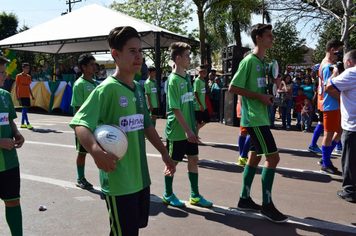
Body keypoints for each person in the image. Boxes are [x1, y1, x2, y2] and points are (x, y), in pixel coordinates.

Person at [70, 26, 175, 236]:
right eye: (132, 51)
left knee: (127, 231)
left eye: (140, 51)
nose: (139, 57)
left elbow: (147, 125)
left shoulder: (137, 87)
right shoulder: (106, 89)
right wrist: (96, 151)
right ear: (115, 54)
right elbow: (80, 123)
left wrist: (165, 153)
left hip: (140, 178)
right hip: (119, 181)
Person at [228, 23, 288, 223]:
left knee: (254, 158)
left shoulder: (264, 63)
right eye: (269, 36)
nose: (272, 38)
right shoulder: (248, 61)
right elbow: (233, 87)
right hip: (254, 118)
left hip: (260, 115)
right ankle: (267, 205)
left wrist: (274, 88)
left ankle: (244, 199)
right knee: (274, 158)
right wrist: (259, 98)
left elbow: (261, 91)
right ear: (258, 38)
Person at [163, 42, 213, 208]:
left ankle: (195, 196)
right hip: (178, 131)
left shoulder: (187, 78)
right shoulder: (173, 80)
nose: (190, 58)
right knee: (172, 164)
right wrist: (187, 131)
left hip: (189, 130)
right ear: (178, 58)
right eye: (187, 56)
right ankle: (168, 194)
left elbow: (188, 105)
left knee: (194, 160)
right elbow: (176, 109)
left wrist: (194, 127)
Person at [326, 49, 356, 202]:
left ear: (349, 62)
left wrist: (336, 71)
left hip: (352, 126)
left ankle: (350, 191)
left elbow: (328, 86)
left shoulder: (351, 73)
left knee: (349, 160)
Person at [0, 56, 25, 236]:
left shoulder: (5, 96)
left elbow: (9, 122)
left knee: (13, 202)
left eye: (4, 72)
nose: (4, 76)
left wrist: (16, 133)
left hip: (9, 162)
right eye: (1, 73)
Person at [70, 54, 100, 190]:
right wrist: (83, 126)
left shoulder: (96, 84)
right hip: (84, 126)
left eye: (95, 64)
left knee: (102, 152)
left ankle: (107, 179)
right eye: (92, 64)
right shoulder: (79, 84)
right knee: (82, 153)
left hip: (98, 125)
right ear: (83, 67)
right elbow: (77, 107)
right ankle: (80, 178)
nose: (95, 67)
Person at [317, 39, 344, 174]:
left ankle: (325, 158)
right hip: (330, 104)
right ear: (333, 50)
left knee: (339, 130)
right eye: (339, 50)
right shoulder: (328, 66)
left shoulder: (327, 64)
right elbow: (329, 88)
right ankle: (325, 163)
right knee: (329, 134)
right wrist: (343, 98)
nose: (341, 54)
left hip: (332, 104)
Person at [15, 63, 35, 130]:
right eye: (26, 68)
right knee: (24, 109)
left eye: (28, 68)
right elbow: (16, 86)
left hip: (27, 95)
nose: (28, 70)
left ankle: (22, 123)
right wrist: (16, 95)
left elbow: (29, 87)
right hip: (21, 95)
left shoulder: (28, 77)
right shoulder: (19, 76)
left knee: (25, 109)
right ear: (23, 68)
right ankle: (28, 123)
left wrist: (32, 95)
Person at [193, 65, 210, 139]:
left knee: (207, 119)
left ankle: (195, 132)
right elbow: (195, 93)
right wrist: (200, 104)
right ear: (199, 72)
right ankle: (196, 136)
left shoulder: (203, 81)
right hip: (198, 105)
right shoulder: (197, 81)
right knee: (198, 121)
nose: (205, 74)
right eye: (203, 73)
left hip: (204, 104)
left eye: (206, 72)